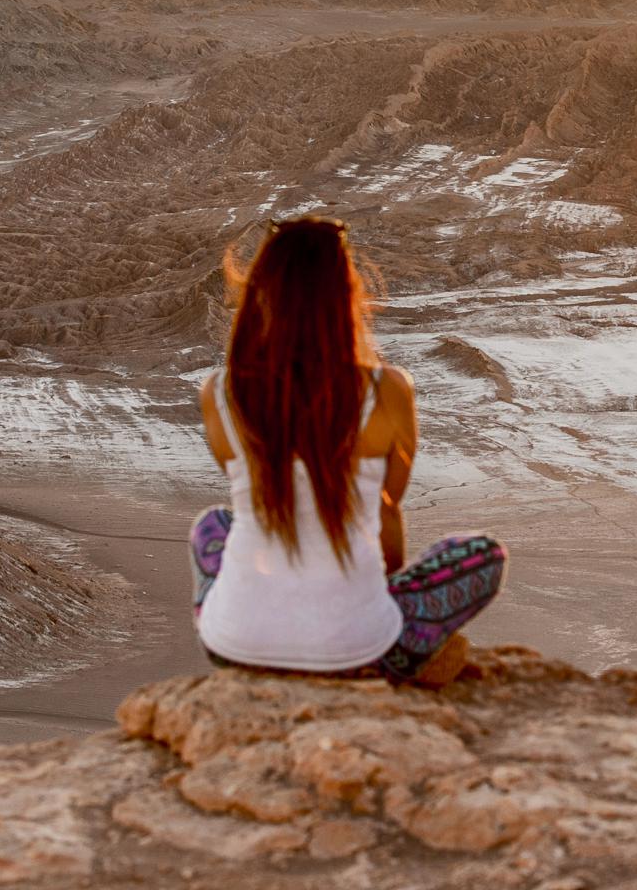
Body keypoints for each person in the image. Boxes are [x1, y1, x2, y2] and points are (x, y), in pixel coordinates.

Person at [187, 214, 505, 684]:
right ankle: (381, 650)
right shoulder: (388, 391)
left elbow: (261, 496)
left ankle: (254, 634)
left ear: (260, 292)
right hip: (363, 652)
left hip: (235, 649)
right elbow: (385, 510)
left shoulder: (219, 393)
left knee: (213, 526)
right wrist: (375, 596)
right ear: (346, 294)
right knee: (482, 556)